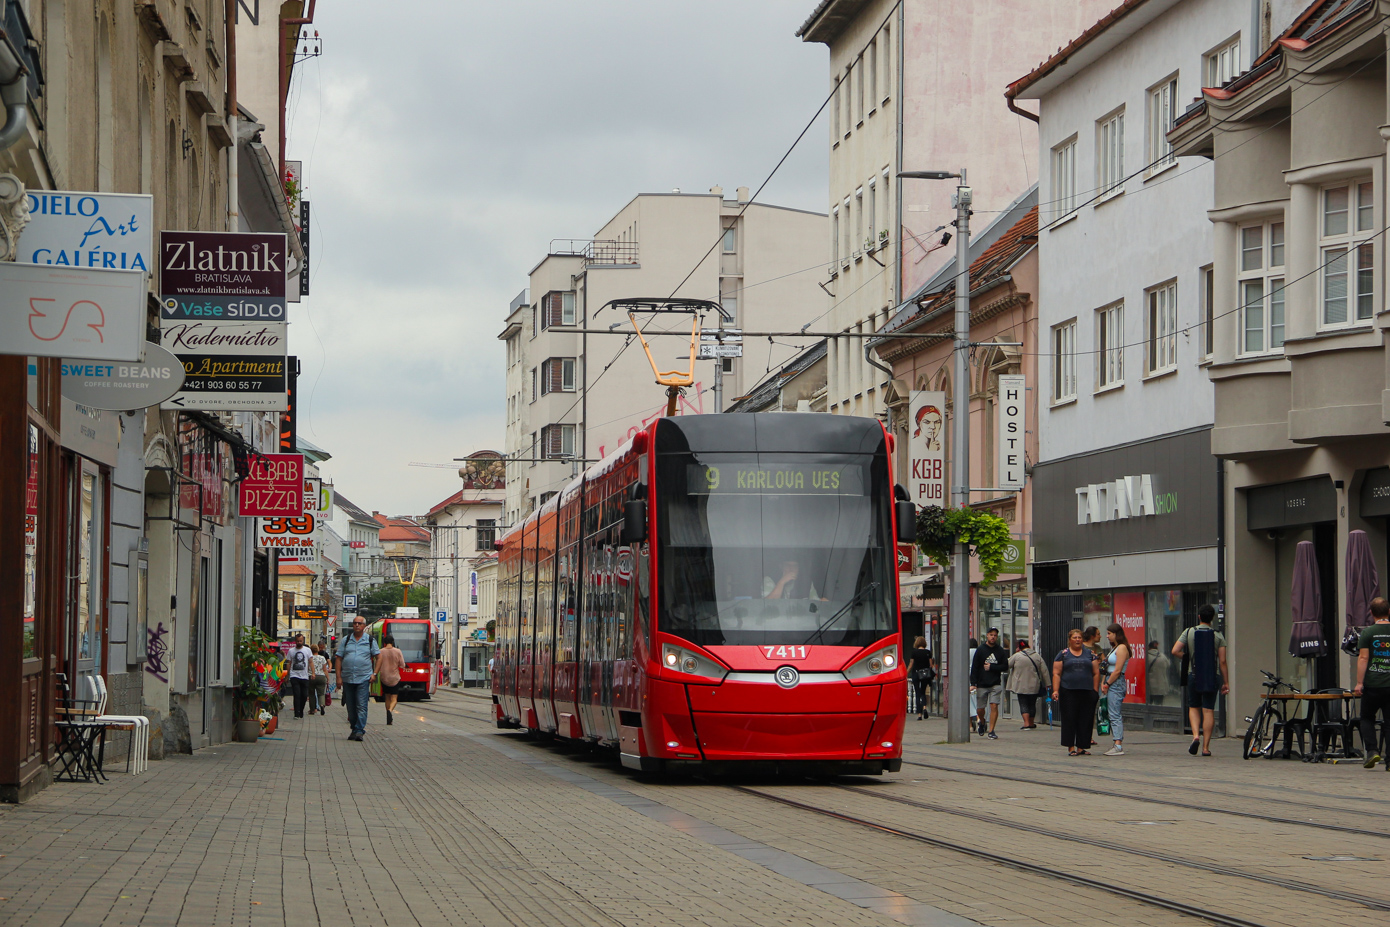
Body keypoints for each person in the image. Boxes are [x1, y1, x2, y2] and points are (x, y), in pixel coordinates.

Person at [1172, 604, 1228, 756]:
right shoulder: (1218, 635)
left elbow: (1175, 650)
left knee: (1194, 706)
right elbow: (1222, 661)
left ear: (1199, 617)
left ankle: (1195, 735)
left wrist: (1188, 658)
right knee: (1208, 709)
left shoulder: (1189, 632)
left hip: (1193, 675)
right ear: (1212, 618)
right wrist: (1226, 682)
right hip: (1212, 676)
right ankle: (1206, 748)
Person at [1353, 596, 1390, 769]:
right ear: (1389, 612)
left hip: (1373, 685)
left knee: (1367, 718)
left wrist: (1359, 683)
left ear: (1371, 613)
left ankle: (1373, 751)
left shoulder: (1367, 633)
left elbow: (1363, 657)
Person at [1053, 628, 1100, 755]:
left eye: (1079, 637)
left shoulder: (1090, 654)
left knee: (1086, 719)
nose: (1077, 640)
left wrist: (1095, 690)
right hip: (1068, 691)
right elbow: (1056, 673)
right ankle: (1071, 747)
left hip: (1087, 691)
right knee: (1069, 719)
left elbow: (1096, 673)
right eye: (1075, 637)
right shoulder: (1063, 654)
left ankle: (1082, 746)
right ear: (1070, 640)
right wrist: (1055, 690)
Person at [335, 616, 380, 741]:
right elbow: (339, 658)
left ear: (364, 626)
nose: (356, 625)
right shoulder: (346, 639)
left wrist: (374, 673)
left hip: (364, 678)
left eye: (359, 623)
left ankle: (359, 730)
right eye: (355, 623)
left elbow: (379, 657)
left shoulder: (370, 640)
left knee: (361, 705)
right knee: (350, 706)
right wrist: (338, 677)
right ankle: (354, 727)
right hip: (348, 678)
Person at [970, 628, 1008, 739]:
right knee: (980, 709)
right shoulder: (981, 649)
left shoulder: (1000, 650)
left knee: (994, 705)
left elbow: (1005, 666)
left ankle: (991, 731)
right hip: (982, 683)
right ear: (987, 636)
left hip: (995, 683)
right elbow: (975, 667)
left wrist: (992, 667)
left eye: (995, 635)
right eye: (991, 635)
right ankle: (982, 722)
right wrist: (973, 683)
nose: (993, 637)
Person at [1101, 623, 1132, 756]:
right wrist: (1104, 682)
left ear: (1116, 634)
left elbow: (1117, 670)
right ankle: (1116, 742)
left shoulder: (1122, 648)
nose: (1107, 636)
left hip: (1116, 682)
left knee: (1114, 713)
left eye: (1109, 633)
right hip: (1110, 680)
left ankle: (1118, 744)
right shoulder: (1114, 648)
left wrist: (1107, 683)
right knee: (1110, 712)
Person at [1007, 639, 1048, 730]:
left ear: (1019, 647)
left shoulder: (1017, 656)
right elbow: (1044, 671)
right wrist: (1048, 683)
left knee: (1023, 703)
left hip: (1020, 684)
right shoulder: (1037, 656)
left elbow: (1007, 664)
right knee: (1032, 704)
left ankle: (1026, 724)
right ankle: (1031, 723)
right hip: (1034, 685)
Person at [376, 633, 407, 725]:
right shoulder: (397, 651)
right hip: (394, 678)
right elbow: (402, 665)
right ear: (393, 642)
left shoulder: (380, 651)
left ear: (384, 642)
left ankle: (387, 715)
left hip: (384, 677)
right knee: (394, 698)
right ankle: (390, 710)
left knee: (387, 697)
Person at [905, 636, 935, 720]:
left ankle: (919, 714)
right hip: (925, 675)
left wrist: (906, 673)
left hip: (916, 674)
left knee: (917, 693)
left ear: (917, 643)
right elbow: (931, 665)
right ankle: (924, 708)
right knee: (923, 692)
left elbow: (911, 664)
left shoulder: (914, 652)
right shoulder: (928, 652)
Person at [286, 634, 313, 719]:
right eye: (297, 641)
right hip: (294, 676)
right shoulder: (291, 651)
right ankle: (296, 713)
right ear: (295, 641)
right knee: (297, 694)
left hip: (305, 676)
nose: (299, 642)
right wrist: (287, 675)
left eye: (301, 641)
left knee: (304, 695)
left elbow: (311, 662)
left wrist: (313, 672)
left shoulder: (307, 650)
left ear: (303, 641)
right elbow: (289, 663)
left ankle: (301, 710)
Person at [1147, 641, 1172, 705]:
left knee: (1148, 706)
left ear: (1148, 647)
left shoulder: (1146, 657)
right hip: (1161, 686)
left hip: (1149, 687)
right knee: (1159, 706)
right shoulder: (1163, 657)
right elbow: (1168, 665)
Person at [308, 643, 329, 715]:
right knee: (321, 693)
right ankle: (322, 705)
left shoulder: (310, 658)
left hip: (312, 676)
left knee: (311, 694)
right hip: (321, 677)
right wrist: (327, 678)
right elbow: (325, 669)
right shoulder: (322, 658)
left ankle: (312, 709)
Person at [968, 637, 979, 721]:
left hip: (968, 675)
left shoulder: (966, 652)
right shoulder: (979, 652)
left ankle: (971, 722)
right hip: (977, 675)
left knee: (968, 698)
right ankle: (979, 717)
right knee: (977, 698)